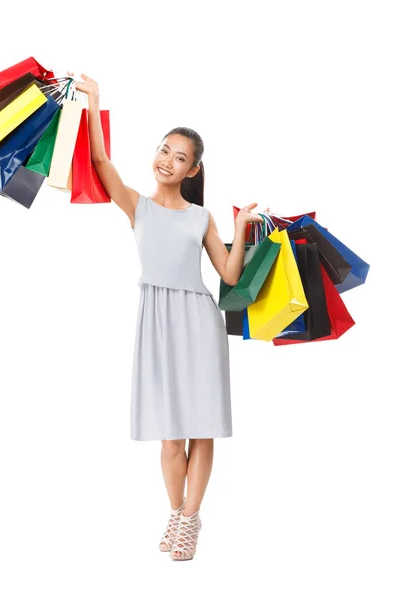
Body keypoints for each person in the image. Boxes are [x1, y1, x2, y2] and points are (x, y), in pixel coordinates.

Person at [70, 73, 263, 561]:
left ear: (193, 170)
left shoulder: (201, 217)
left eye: (180, 157)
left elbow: (230, 273)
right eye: (164, 150)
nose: (167, 160)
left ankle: (187, 524)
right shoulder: (137, 206)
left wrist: (239, 228)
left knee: (202, 428)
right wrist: (95, 101)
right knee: (169, 438)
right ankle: (179, 513)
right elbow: (99, 161)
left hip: (198, 322)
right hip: (155, 323)